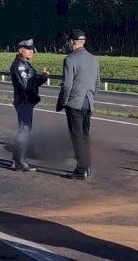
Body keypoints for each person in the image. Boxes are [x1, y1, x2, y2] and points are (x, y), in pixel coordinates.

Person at [56, 29, 100, 180]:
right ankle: (87, 166)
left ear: (71, 42)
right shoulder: (93, 59)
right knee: (85, 135)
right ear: (84, 41)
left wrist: (63, 101)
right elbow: (97, 83)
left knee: (77, 136)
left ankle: (81, 169)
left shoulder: (70, 59)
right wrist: (91, 97)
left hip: (75, 102)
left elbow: (67, 85)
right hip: (88, 101)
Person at [9, 39, 50, 172]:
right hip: (24, 101)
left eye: (32, 49)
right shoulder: (20, 66)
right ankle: (19, 161)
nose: (31, 51)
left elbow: (32, 83)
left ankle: (17, 160)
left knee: (24, 129)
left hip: (26, 101)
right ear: (21, 50)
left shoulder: (26, 65)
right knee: (24, 130)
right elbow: (26, 86)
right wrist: (34, 94)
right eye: (28, 49)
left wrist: (43, 77)